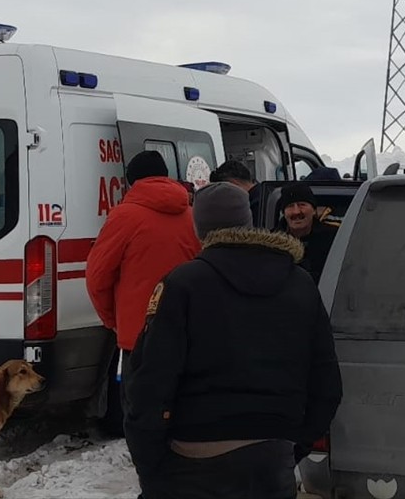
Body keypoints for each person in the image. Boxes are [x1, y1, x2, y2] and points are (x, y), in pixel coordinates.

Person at [124, 182, 342, 499]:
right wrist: (291, 446)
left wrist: (151, 467)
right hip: (272, 455)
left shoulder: (184, 283)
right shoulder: (300, 283)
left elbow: (149, 384)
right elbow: (327, 384)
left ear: (200, 229)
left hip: (193, 456)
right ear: (247, 221)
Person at [86, 150, 202, 408]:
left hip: (141, 336)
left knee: (141, 416)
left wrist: (112, 320)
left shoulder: (124, 216)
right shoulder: (192, 216)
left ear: (132, 181)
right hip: (188, 333)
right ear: (166, 176)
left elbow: (97, 276)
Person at [277, 183, 341, 284]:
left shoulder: (335, 238)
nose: (296, 211)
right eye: (290, 206)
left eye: (302, 205)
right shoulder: (272, 242)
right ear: (284, 213)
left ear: (314, 210)